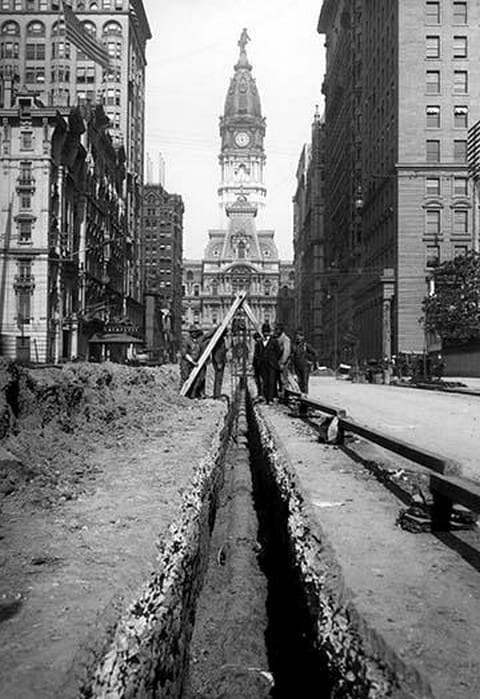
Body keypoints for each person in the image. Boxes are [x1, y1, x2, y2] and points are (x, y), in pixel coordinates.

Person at [180, 325, 206, 398]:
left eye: (195, 332)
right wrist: (192, 362)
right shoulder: (186, 340)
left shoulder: (196, 341)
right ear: (190, 333)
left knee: (195, 379)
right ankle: (182, 395)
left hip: (193, 363)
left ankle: (192, 395)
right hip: (186, 363)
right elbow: (185, 354)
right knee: (185, 378)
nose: (194, 334)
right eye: (193, 332)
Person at [259, 323, 282, 404]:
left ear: (269, 332)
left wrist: (274, 359)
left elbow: (278, 352)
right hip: (263, 365)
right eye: (264, 332)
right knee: (265, 381)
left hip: (272, 364)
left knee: (272, 382)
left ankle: (270, 399)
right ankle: (266, 398)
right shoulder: (260, 342)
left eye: (266, 332)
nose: (265, 333)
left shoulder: (274, 341)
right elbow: (258, 353)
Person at [291, 329, 316, 394]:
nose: (298, 337)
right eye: (296, 336)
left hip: (305, 367)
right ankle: (300, 394)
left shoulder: (306, 345)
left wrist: (310, 361)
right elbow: (292, 356)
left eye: (299, 336)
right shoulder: (294, 345)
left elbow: (314, 353)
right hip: (297, 366)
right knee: (299, 382)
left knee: (304, 382)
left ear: (303, 337)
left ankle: (305, 394)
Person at [274, 323, 291, 401]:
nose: (275, 331)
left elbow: (286, 352)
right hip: (277, 362)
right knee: (278, 379)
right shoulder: (277, 338)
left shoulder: (285, 339)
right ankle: (281, 395)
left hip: (282, 363)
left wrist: (282, 362)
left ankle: (284, 396)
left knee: (283, 380)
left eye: (277, 330)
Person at [252, 331, 263, 397]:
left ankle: (261, 394)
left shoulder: (261, 345)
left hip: (261, 365)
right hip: (257, 365)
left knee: (261, 381)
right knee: (258, 380)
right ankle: (259, 393)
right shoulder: (257, 344)